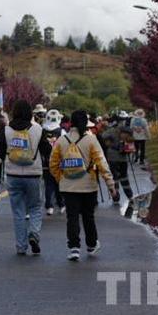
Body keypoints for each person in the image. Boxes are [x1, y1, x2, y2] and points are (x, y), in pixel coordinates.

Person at [50, 110, 116, 262]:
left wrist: (61, 179)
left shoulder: (61, 140)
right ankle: (91, 244)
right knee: (88, 216)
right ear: (86, 123)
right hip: (88, 185)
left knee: (72, 217)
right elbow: (102, 163)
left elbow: (53, 164)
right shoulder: (91, 140)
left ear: (71, 122)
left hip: (68, 186)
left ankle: (73, 247)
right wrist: (111, 185)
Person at [0, 100, 50, 255]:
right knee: (35, 207)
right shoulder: (38, 129)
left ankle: (21, 246)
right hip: (33, 174)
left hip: (12, 175)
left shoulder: (6, 130)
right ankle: (34, 233)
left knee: (18, 212)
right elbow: (47, 150)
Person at [100, 117, 134, 205]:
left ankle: (122, 196)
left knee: (119, 177)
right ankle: (123, 196)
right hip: (118, 157)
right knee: (119, 177)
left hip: (117, 158)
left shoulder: (116, 132)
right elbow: (103, 136)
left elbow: (103, 135)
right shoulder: (120, 131)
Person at [42, 109, 65, 216]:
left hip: (45, 162)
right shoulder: (62, 131)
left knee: (48, 184)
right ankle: (61, 204)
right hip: (59, 162)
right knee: (58, 184)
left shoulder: (42, 130)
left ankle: (49, 206)